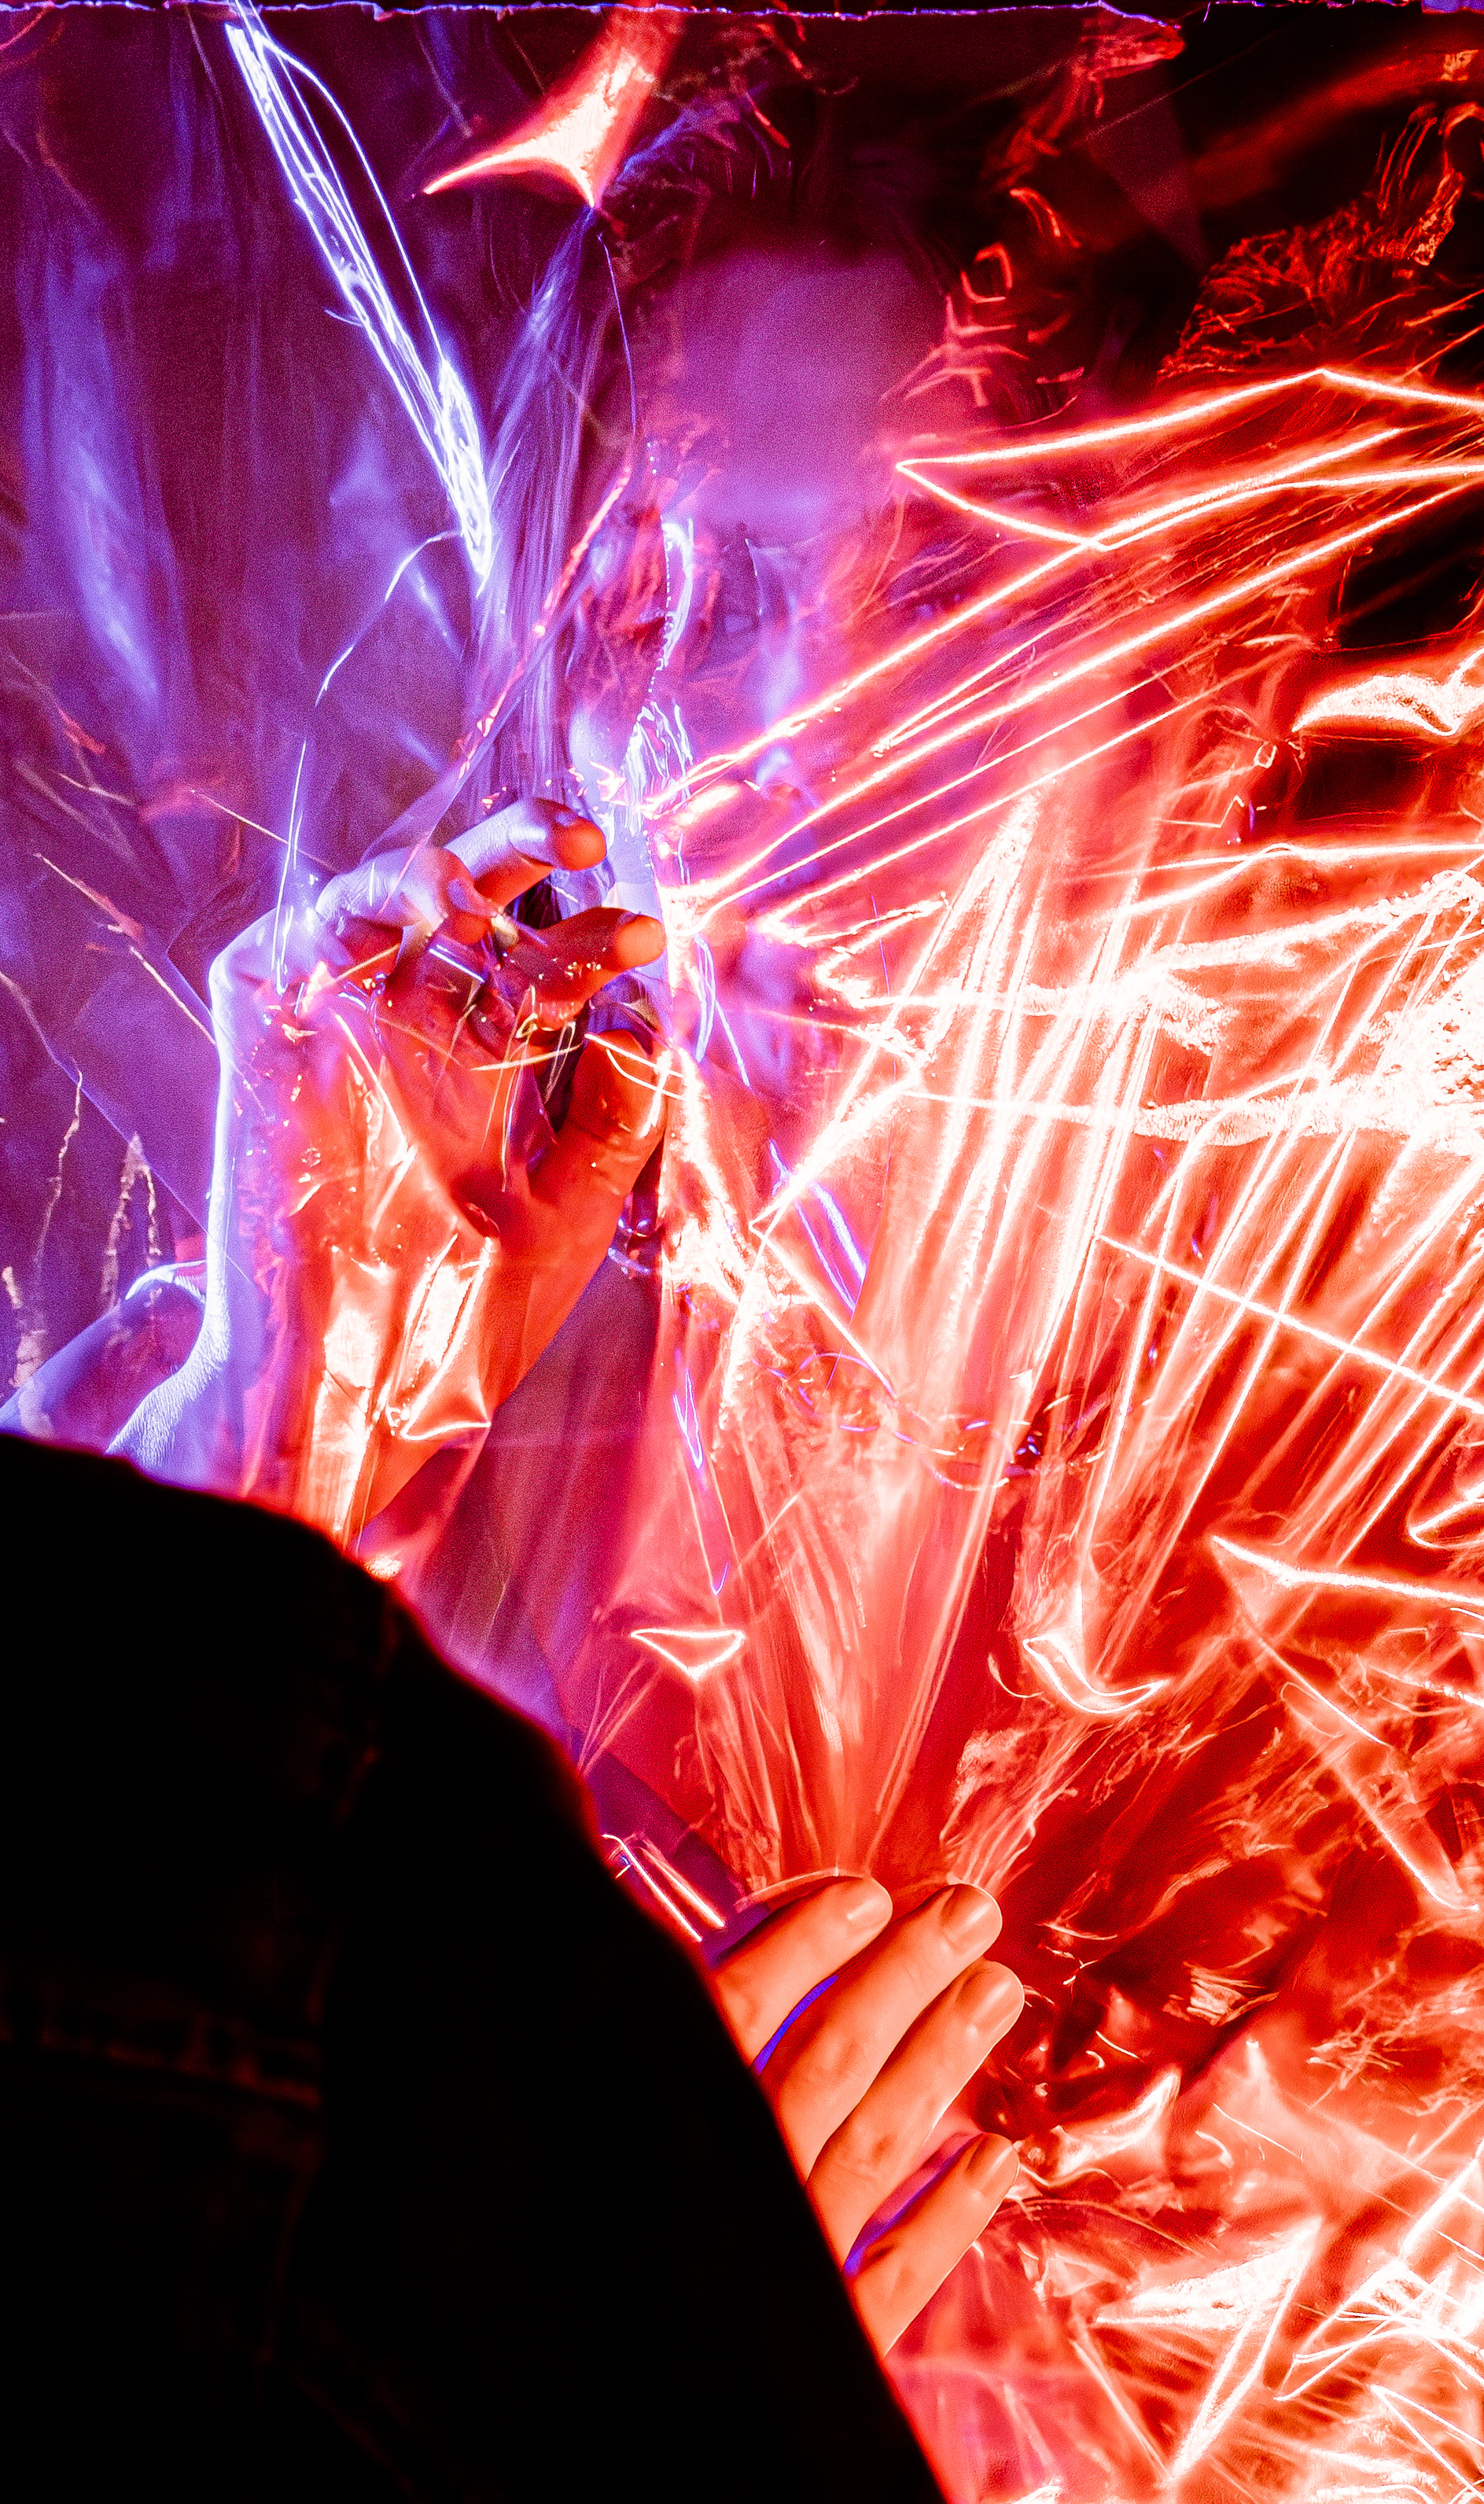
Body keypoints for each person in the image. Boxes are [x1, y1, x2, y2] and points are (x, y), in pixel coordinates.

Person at [9, 68, 1035, 2365]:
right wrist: (278, 1437)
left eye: (942, 590)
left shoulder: (1360, 1491)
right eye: (683, 592)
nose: (791, 734)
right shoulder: (370, 1323)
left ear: (1159, 673)